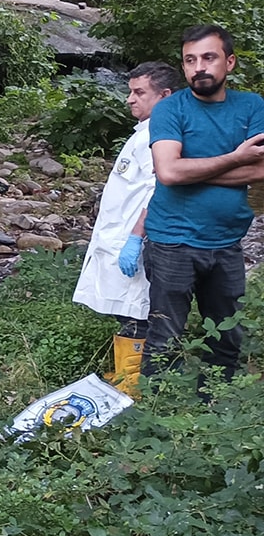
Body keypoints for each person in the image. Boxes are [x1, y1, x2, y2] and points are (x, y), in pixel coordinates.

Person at [141, 24, 264, 388]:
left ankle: (215, 406)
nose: (199, 67)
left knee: (227, 339)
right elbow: (168, 172)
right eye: (190, 60)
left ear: (229, 62)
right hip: (172, 243)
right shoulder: (169, 110)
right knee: (164, 338)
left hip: (226, 243)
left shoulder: (253, 106)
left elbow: (260, 169)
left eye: (209, 58)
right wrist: (235, 160)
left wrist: (190, 169)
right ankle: (155, 423)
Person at [72, 61, 181, 394]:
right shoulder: (145, 131)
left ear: (165, 95)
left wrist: (136, 238)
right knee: (127, 311)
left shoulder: (161, 137)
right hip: (118, 239)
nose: (130, 100)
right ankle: (126, 377)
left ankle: (133, 387)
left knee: (138, 312)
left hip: (138, 240)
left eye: (139, 93)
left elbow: (160, 190)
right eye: (130, 92)